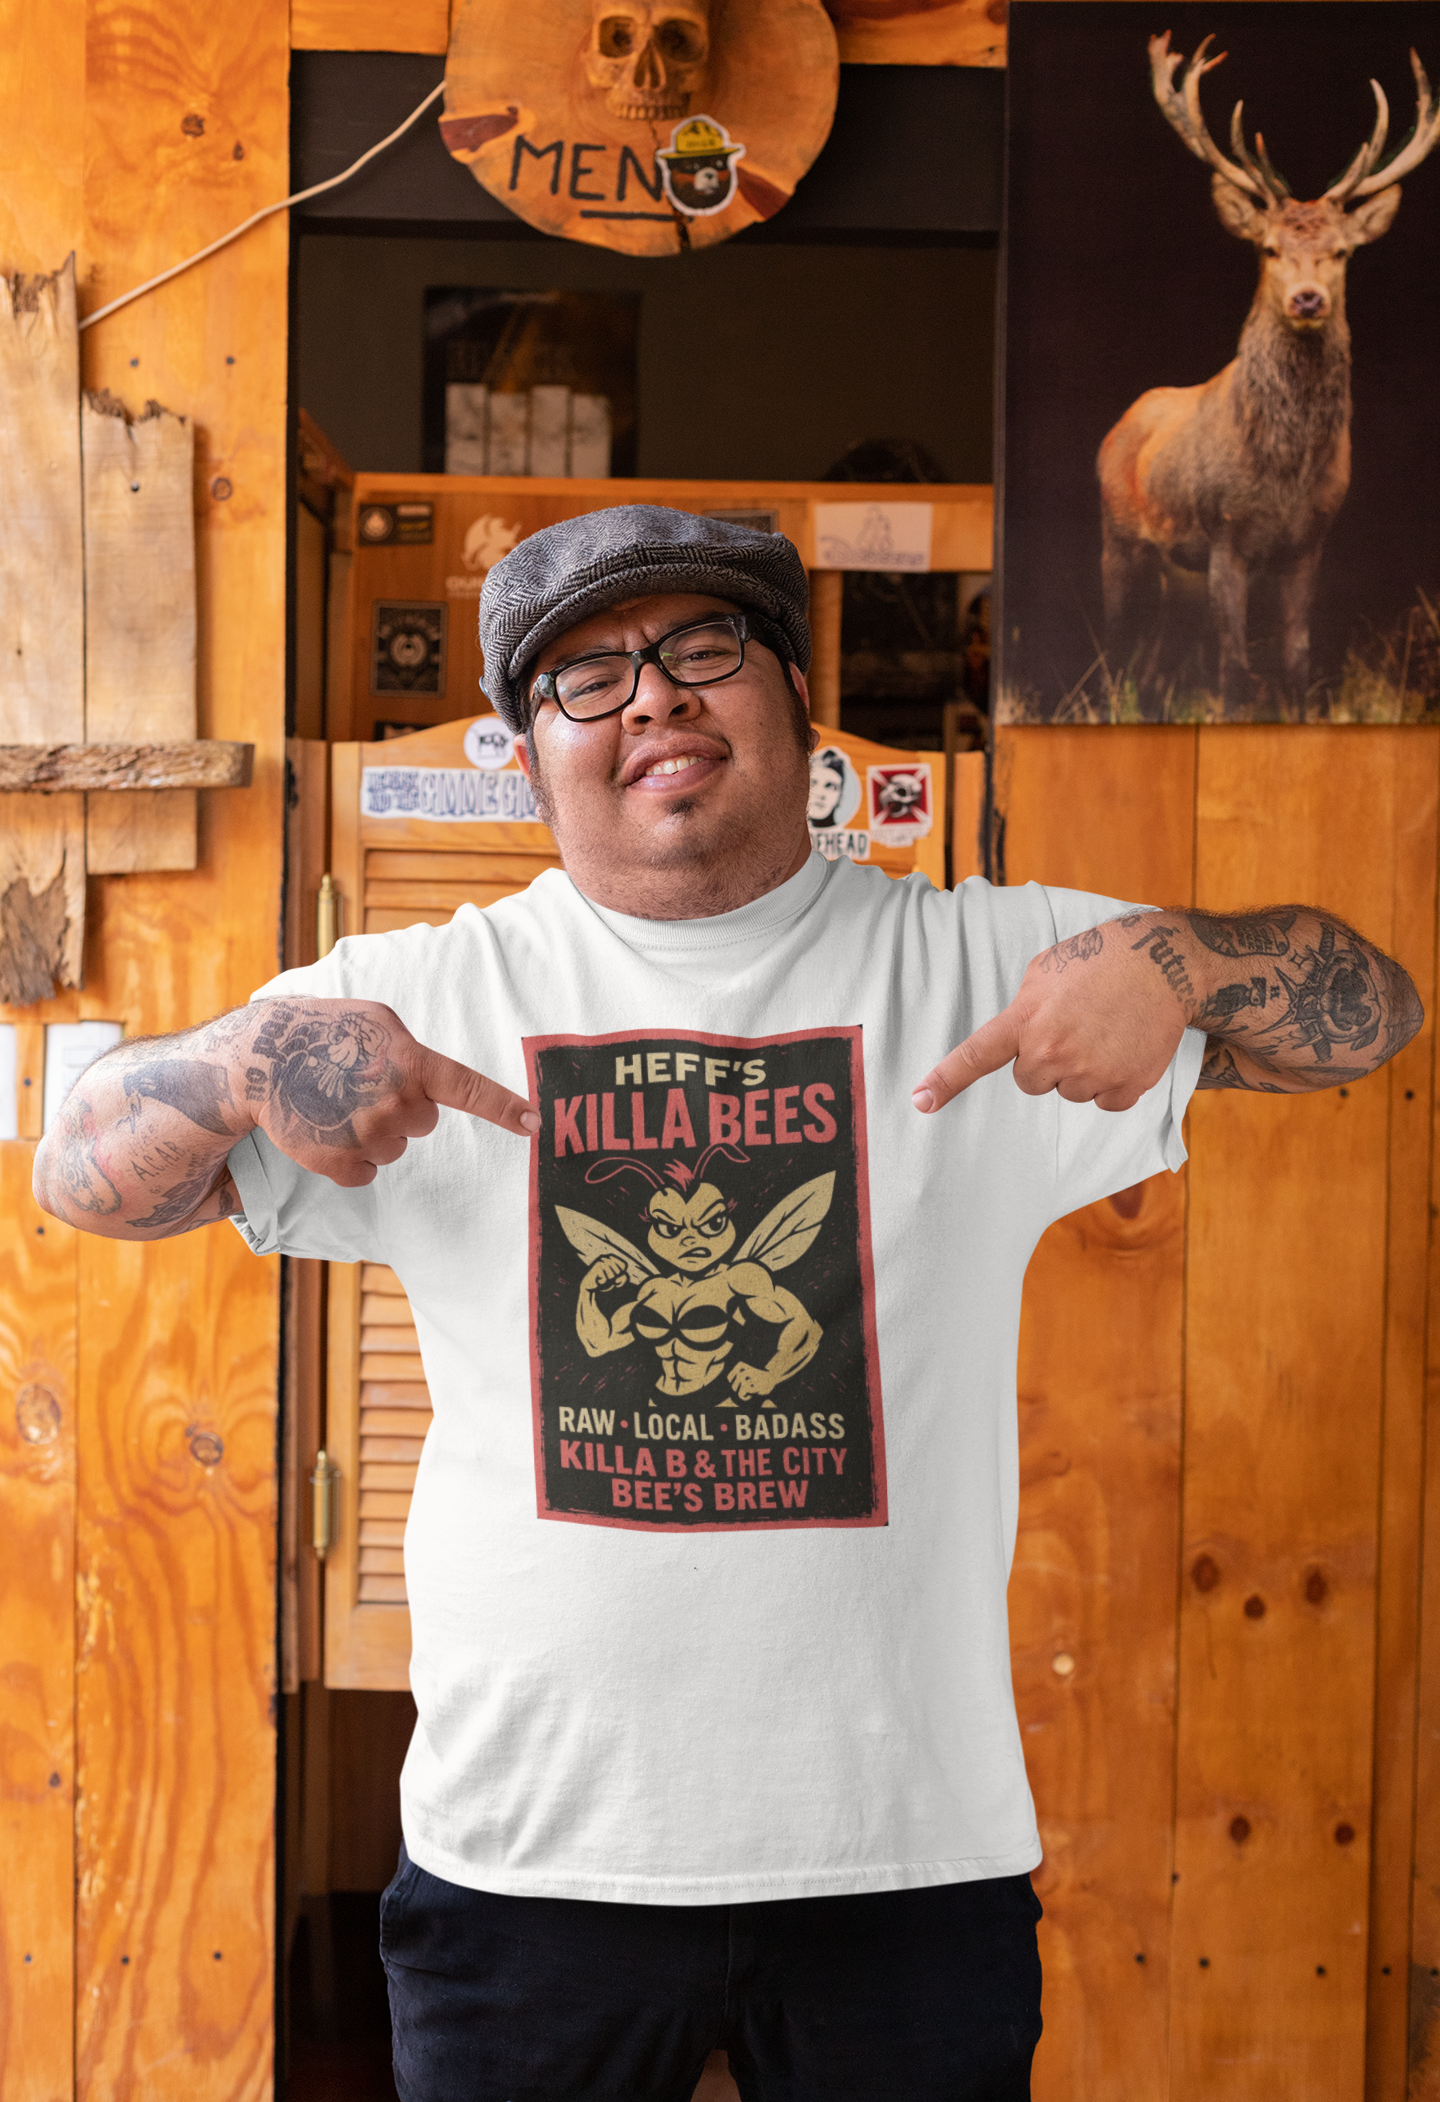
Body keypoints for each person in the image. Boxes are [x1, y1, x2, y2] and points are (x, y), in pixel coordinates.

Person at [33, 507, 1421, 2102]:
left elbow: (1373, 1003)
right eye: (590, 674)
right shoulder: (419, 997)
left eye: (706, 652)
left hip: (904, 1855)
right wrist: (232, 1065)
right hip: (527, 1856)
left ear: (794, 699)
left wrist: (1185, 960)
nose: (655, 700)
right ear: (521, 749)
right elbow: (80, 1181)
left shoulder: (981, 964)